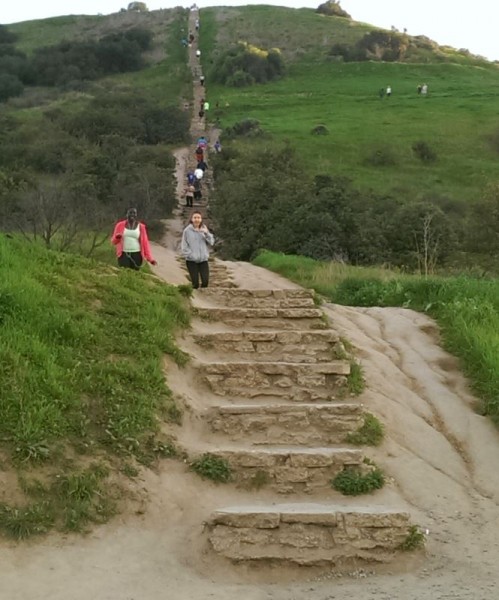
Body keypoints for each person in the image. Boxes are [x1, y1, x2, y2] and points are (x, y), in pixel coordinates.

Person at [181, 211, 214, 289]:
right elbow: (184, 246)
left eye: (198, 218)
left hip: (203, 260)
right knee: (195, 284)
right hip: (191, 261)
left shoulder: (204, 229)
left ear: (201, 219)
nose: (197, 219)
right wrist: (190, 255)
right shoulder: (187, 231)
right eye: (195, 217)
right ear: (191, 219)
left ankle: (203, 298)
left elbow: (211, 242)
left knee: (205, 282)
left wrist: (206, 233)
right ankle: (194, 298)